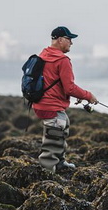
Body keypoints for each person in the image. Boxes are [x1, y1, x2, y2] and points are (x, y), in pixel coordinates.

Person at [33, 26, 98, 173]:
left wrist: (71, 96)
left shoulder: (43, 55)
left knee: (63, 124)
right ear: (60, 40)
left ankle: (60, 162)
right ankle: (48, 170)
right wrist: (88, 95)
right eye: (69, 39)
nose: (71, 43)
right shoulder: (62, 60)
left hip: (40, 103)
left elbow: (54, 83)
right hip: (51, 105)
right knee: (54, 133)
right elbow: (69, 87)